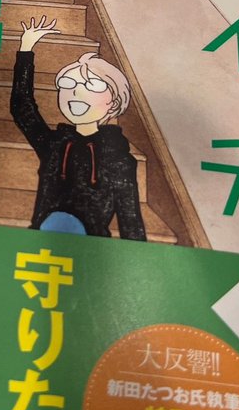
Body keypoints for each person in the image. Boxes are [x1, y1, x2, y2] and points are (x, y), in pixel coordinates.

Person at [10, 16, 147, 241]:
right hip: (41, 244)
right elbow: (22, 108)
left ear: (113, 103)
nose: (76, 91)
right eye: (68, 84)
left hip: (88, 248)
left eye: (91, 85)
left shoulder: (119, 160)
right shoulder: (55, 144)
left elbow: (130, 224)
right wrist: (26, 49)